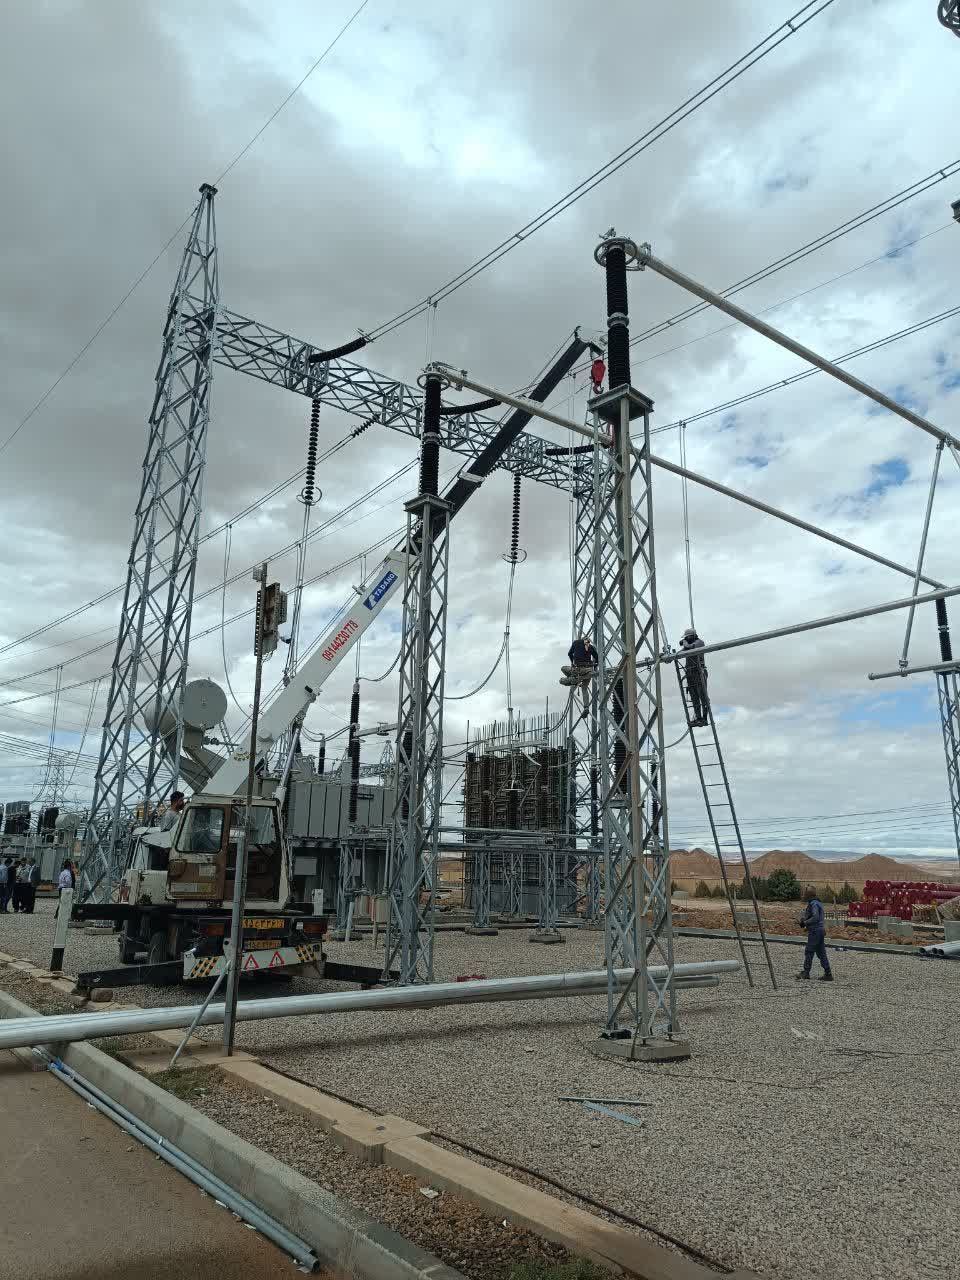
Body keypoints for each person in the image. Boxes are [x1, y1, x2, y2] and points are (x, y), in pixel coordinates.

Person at [795, 888, 833, 982]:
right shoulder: (818, 903)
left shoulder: (813, 904)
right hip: (819, 931)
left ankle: (806, 972)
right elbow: (817, 919)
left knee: (809, 951)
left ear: (809, 895)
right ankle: (828, 973)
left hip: (815, 932)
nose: (804, 896)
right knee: (821, 953)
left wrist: (805, 922)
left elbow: (815, 917)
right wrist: (807, 926)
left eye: (805, 894)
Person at [679, 627, 710, 727]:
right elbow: (681, 652)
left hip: (699, 672)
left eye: (686, 637)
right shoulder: (688, 645)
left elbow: (689, 647)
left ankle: (704, 718)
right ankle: (698, 718)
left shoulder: (699, 643)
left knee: (702, 696)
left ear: (692, 636)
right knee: (694, 697)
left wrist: (684, 643)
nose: (685, 639)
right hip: (690, 673)